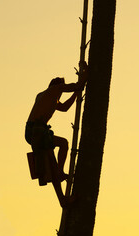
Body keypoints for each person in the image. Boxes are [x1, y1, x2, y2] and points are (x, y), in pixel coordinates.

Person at [25, 62, 88, 208]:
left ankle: (62, 199)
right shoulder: (55, 89)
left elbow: (64, 107)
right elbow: (78, 85)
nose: (61, 92)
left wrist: (75, 94)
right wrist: (86, 70)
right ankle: (59, 172)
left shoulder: (45, 95)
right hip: (37, 131)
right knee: (62, 147)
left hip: (34, 132)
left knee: (54, 162)